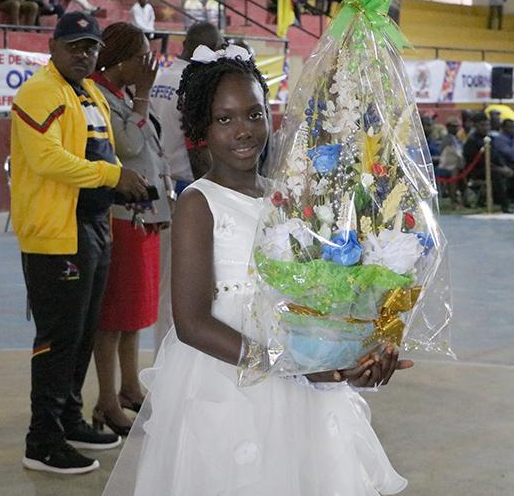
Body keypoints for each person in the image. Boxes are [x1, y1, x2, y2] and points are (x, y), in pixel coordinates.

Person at [102, 45, 411, 496]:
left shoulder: (289, 199)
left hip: (300, 378)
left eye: (253, 114)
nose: (243, 130)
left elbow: (322, 296)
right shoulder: (198, 202)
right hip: (232, 381)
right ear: (201, 128)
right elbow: (191, 323)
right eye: (224, 119)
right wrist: (290, 366)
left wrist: (362, 350)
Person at [11, 12, 149, 474]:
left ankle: (69, 419)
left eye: (91, 47)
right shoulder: (39, 92)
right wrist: (112, 176)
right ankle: (42, 441)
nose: (84, 55)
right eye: (74, 46)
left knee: (83, 334)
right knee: (58, 339)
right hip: (55, 234)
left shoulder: (88, 92)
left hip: (92, 227)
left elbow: (103, 150)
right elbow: (48, 159)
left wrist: (121, 184)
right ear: (53, 47)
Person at [90, 22, 174, 437]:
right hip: (122, 218)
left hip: (146, 216)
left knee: (135, 313)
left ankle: (129, 387)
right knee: (113, 316)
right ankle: (106, 400)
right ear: (120, 59)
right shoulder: (100, 96)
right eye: (141, 56)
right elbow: (129, 146)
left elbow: (152, 148)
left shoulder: (123, 95)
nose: (147, 64)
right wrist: (142, 95)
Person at [150, 21, 224, 195]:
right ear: (215, 51)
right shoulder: (195, 86)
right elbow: (198, 152)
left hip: (159, 177)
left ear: (185, 44)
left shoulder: (161, 77)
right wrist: (211, 194)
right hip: (186, 184)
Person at [463, 112, 514, 213]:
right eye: (482, 125)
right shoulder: (472, 141)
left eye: (487, 125)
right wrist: (500, 169)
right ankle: (504, 205)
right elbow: (480, 162)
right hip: (477, 170)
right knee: (496, 174)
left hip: (493, 167)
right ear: (476, 126)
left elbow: (497, 156)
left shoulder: (490, 138)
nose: (485, 128)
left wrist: (504, 166)